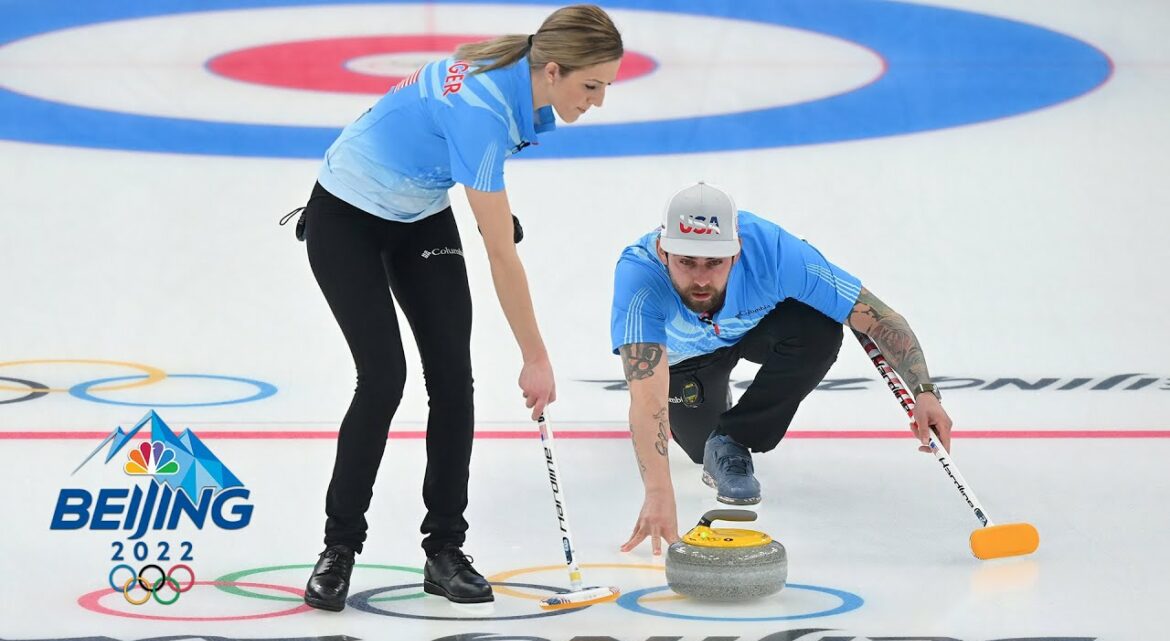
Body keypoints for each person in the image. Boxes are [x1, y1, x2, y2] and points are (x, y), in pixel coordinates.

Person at [298, 5, 623, 610]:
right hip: (345, 216)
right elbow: (502, 257)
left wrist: (490, 202)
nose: (598, 101)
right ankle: (338, 548)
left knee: (453, 380)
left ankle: (444, 550)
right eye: (591, 86)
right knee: (384, 378)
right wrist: (536, 358)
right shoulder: (483, 108)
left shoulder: (513, 73)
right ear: (552, 71)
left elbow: (459, 158)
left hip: (418, 213)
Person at [610, 182, 954, 554]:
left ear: (737, 252)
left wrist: (924, 392)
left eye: (715, 263)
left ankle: (735, 436)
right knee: (696, 449)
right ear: (663, 252)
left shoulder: (775, 252)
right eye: (686, 262)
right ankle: (713, 408)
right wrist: (659, 494)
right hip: (686, 360)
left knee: (820, 327)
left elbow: (879, 318)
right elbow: (646, 399)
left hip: (753, 328)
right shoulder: (639, 276)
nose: (701, 280)